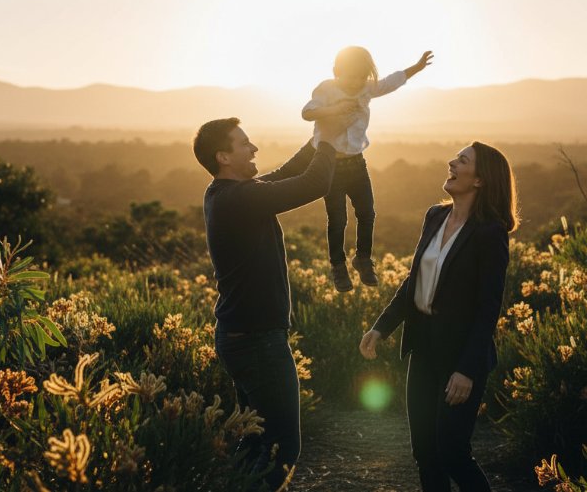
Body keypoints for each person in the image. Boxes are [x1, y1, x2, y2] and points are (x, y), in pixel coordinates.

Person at [193, 116, 343, 490]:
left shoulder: (227, 194)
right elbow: (314, 182)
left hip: (243, 336)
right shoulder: (239, 199)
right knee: (282, 448)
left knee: (257, 440)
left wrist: (318, 136)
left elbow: (285, 173)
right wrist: (329, 142)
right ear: (223, 157)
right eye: (245, 143)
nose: (254, 147)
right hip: (256, 341)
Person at [358, 142, 517, 492]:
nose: (452, 162)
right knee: (425, 453)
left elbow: (488, 307)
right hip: (424, 351)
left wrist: (467, 370)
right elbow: (413, 281)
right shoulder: (435, 215)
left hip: (461, 358)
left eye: (462, 161)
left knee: (452, 453)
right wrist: (381, 327)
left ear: (479, 180)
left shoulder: (490, 233)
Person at [302, 46, 434, 292]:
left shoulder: (366, 89)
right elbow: (307, 112)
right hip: (332, 166)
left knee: (367, 213)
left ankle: (363, 258)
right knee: (338, 219)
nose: (355, 83)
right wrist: (334, 109)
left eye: (361, 77)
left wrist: (416, 67)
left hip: (357, 163)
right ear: (336, 72)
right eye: (350, 76)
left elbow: (390, 82)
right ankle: (338, 266)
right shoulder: (327, 89)